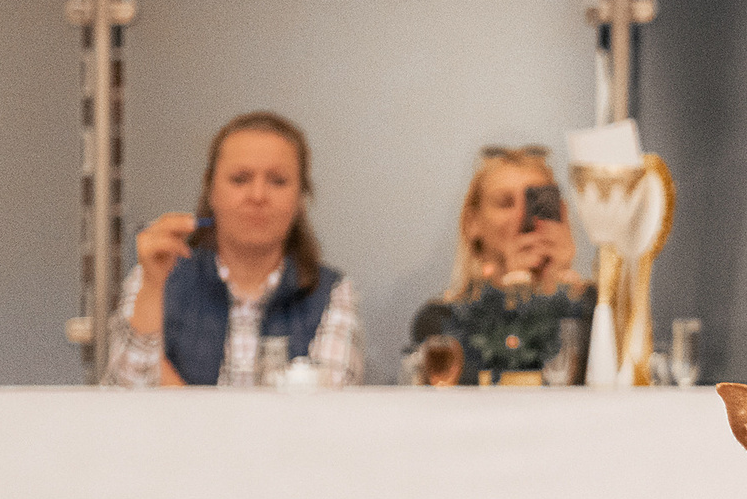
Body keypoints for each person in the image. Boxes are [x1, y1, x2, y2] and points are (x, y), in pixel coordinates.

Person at [105, 111, 362, 388]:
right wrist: (153, 286)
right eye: (240, 179)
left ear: (301, 196)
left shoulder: (333, 293)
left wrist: (169, 387)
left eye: (278, 181)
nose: (258, 196)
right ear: (210, 188)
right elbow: (124, 393)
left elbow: (328, 403)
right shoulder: (154, 277)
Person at [407, 146, 596, 385]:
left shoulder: (594, 309)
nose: (523, 218)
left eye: (537, 204)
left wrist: (559, 286)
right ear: (472, 222)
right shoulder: (443, 319)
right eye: (505, 203)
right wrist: (517, 293)